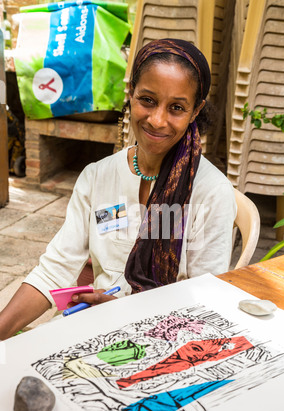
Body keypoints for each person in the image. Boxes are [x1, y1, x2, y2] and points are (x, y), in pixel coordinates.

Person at [0, 38, 236, 340]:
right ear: (131, 93)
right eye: (147, 100)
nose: (157, 120)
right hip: (91, 323)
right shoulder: (97, 177)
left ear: (195, 111)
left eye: (176, 107)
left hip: (163, 338)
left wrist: (125, 314)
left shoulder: (209, 193)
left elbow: (204, 303)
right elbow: (54, 271)